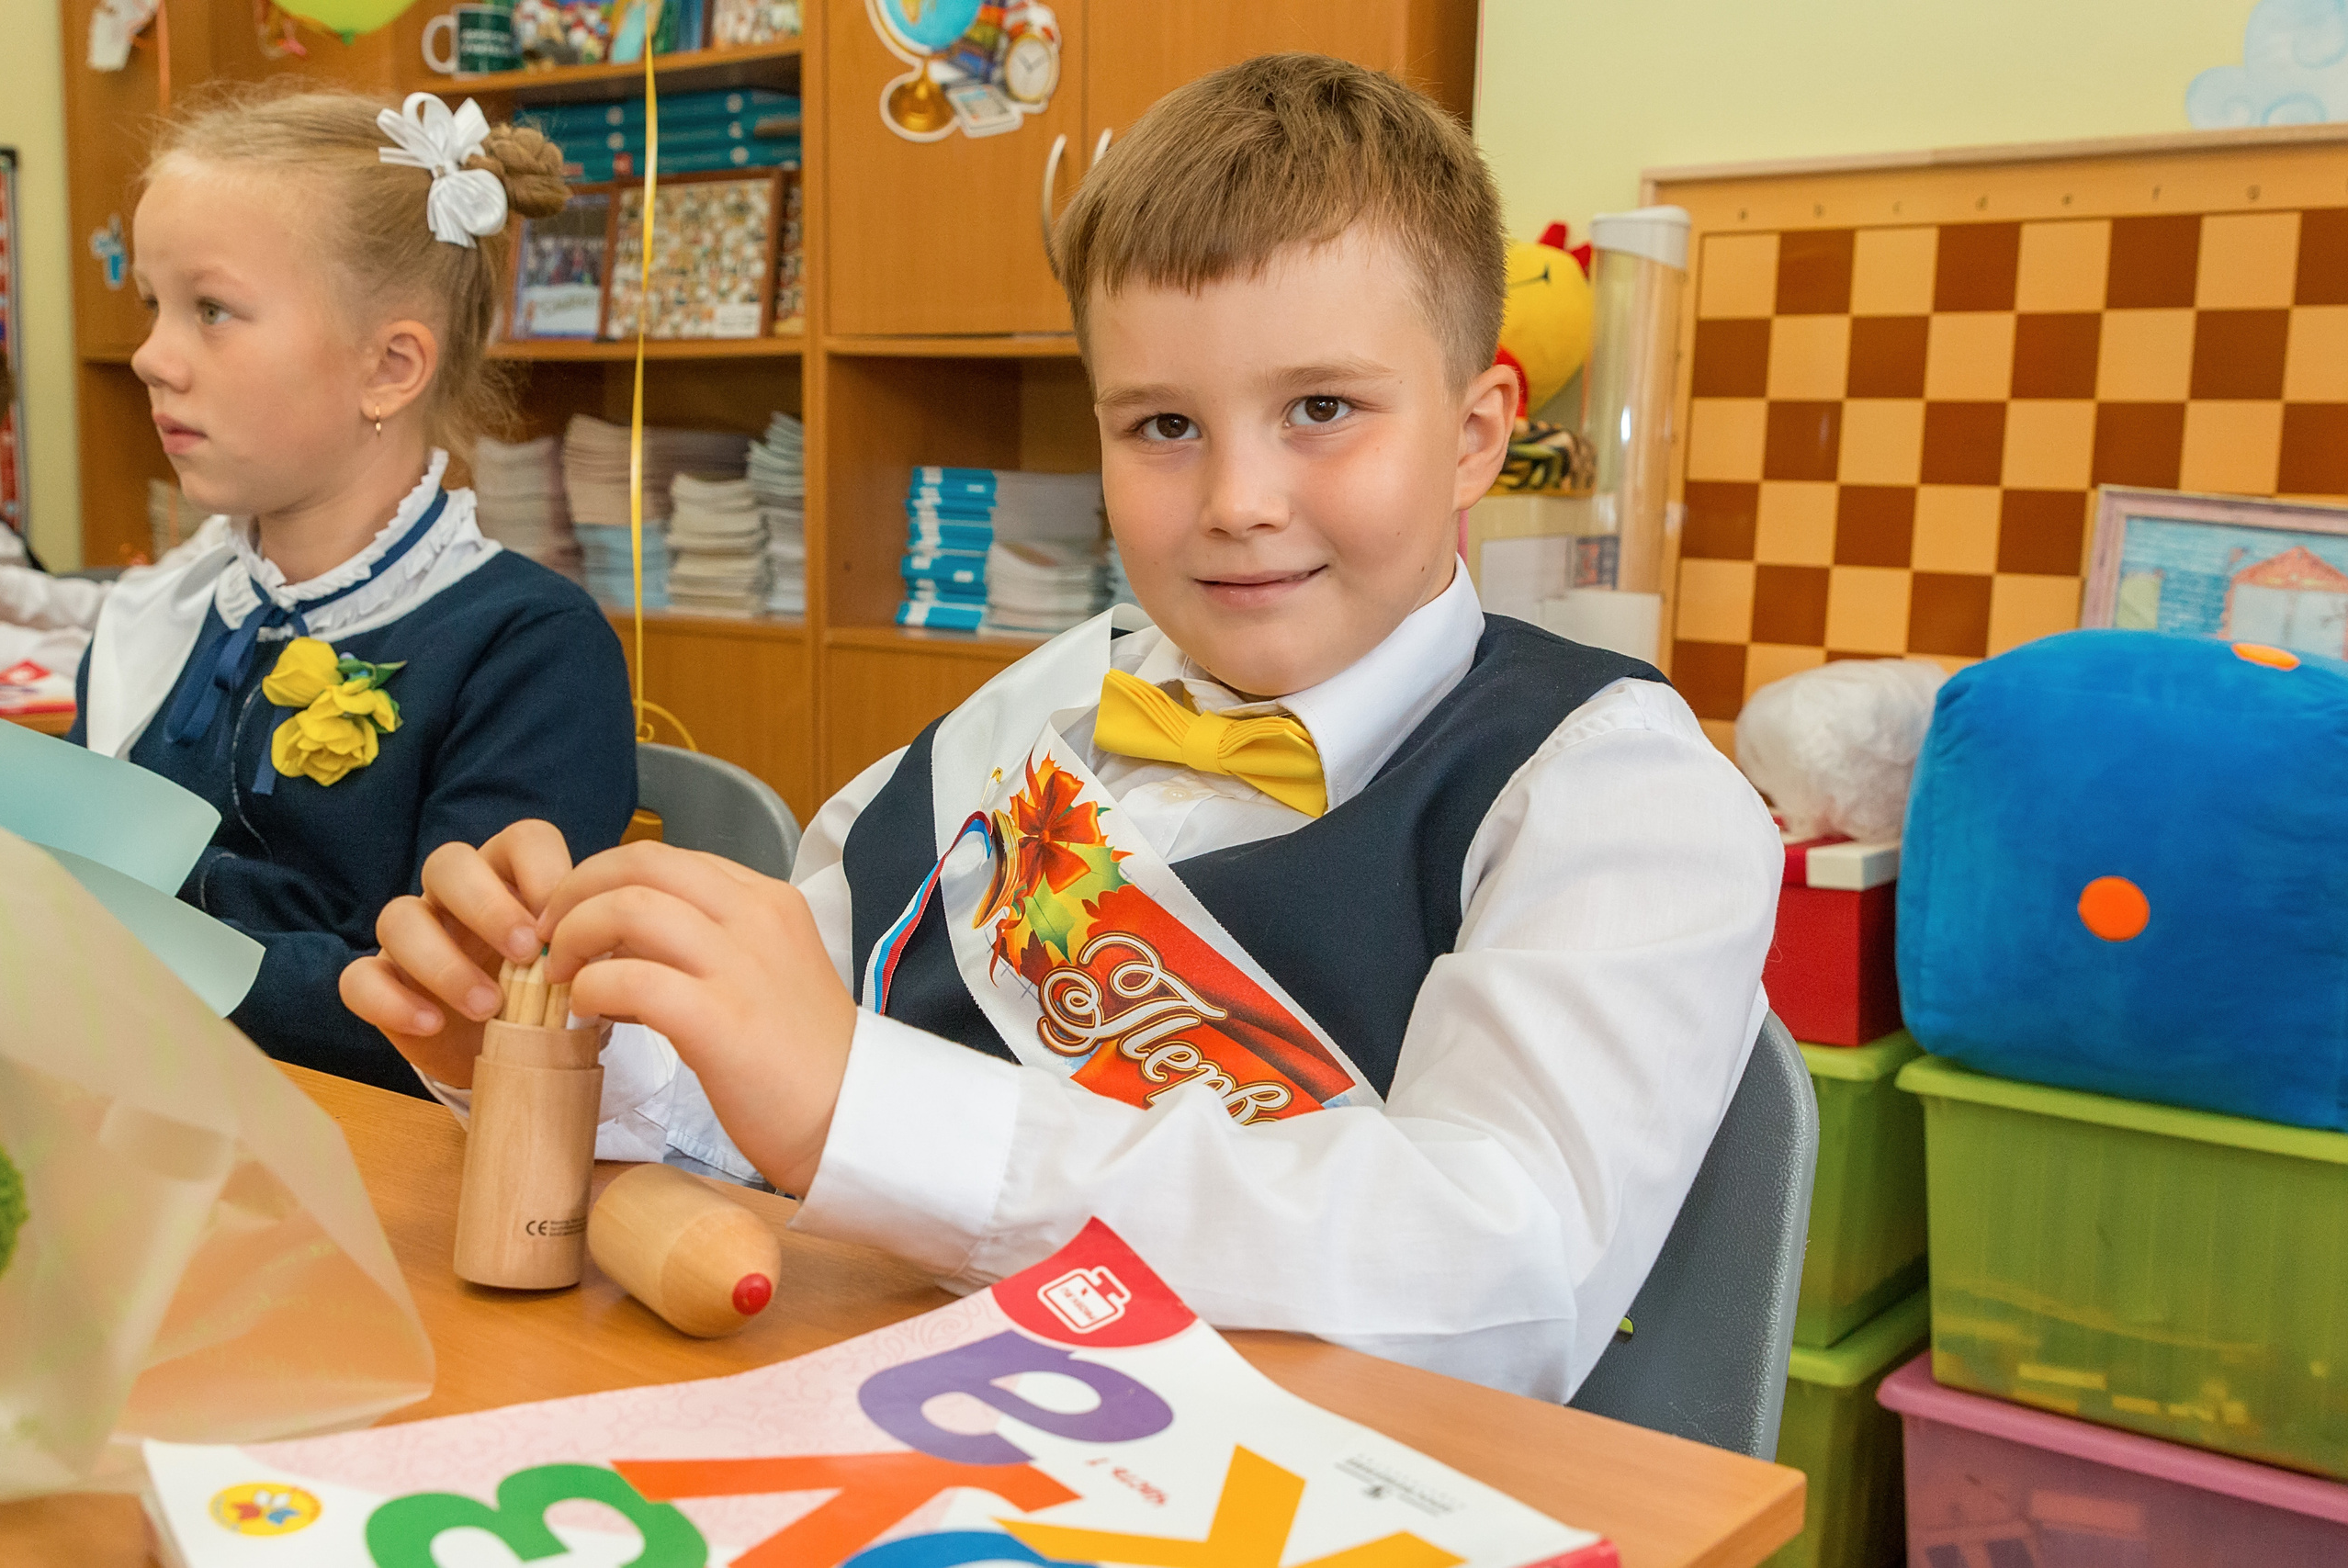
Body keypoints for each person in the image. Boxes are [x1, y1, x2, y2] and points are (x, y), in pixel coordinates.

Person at [345, 54, 1780, 1400]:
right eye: (1162, 425)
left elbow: (1499, 1276)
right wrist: (556, 1043)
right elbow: (770, 1088)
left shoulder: (1613, 794)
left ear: (1477, 433)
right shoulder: (1033, 711)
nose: (1237, 498)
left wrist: (864, 1101)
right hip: (921, 1423)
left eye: (1323, 408)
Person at [72, 86, 636, 1094]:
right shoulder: (163, 614)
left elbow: (450, 1009)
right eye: (152, 306)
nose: (153, 358)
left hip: (380, 1165)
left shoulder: (529, 648)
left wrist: (123, 944)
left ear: (389, 367)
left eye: (211, 310)